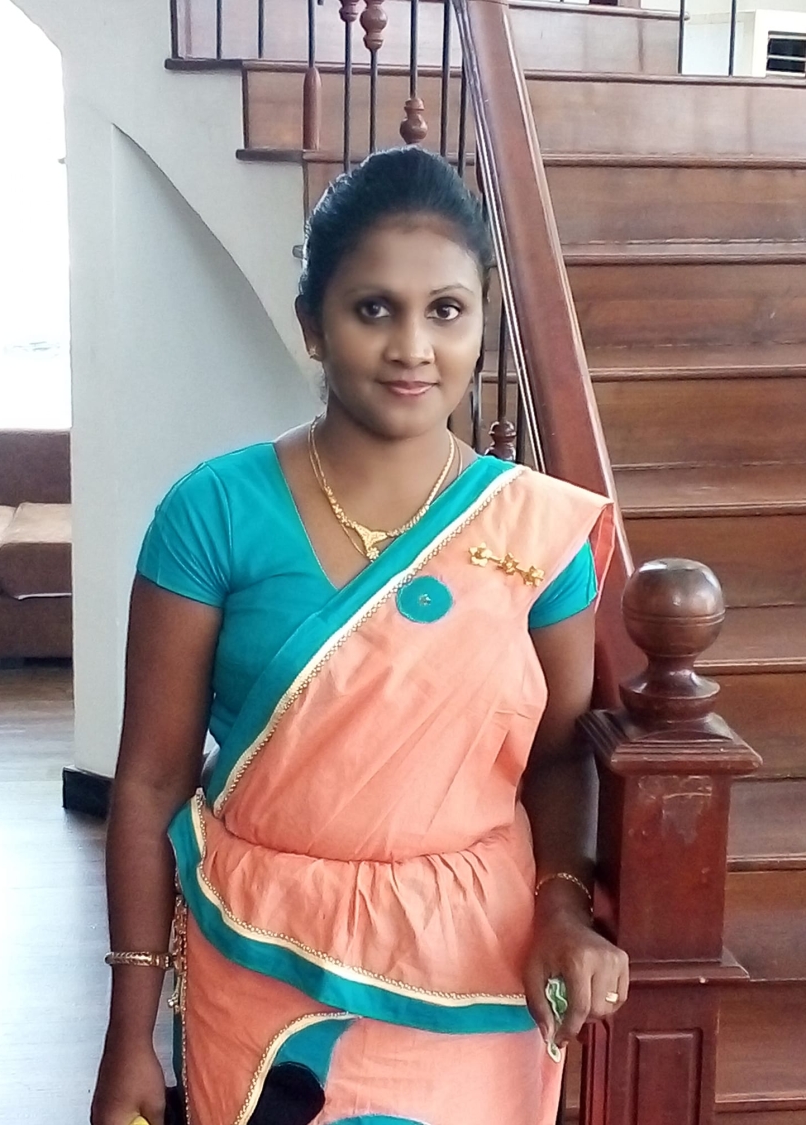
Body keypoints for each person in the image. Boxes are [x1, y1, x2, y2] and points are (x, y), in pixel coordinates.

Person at [91, 145, 628, 1125]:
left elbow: (558, 757)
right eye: (373, 308)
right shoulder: (213, 512)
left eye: (446, 310)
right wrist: (128, 1034)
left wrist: (562, 905)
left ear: (482, 320)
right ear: (312, 324)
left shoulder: (530, 532)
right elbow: (151, 781)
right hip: (259, 963)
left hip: (470, 964)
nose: (412, 347)